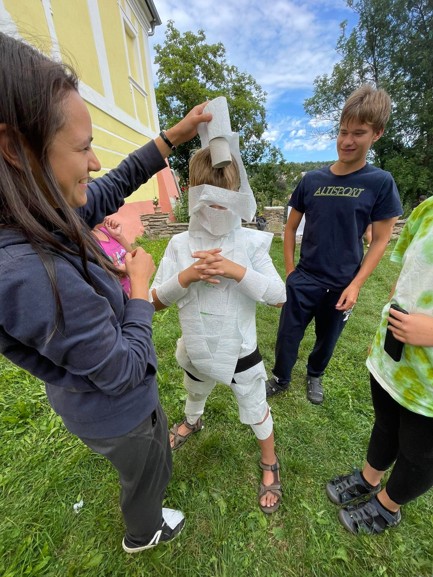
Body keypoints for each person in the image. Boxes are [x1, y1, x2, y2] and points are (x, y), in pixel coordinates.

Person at [0, 32, 211, 554]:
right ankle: (145, 530)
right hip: (119, 411)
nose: (94, 163)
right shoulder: (28, 271)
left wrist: (171, 138)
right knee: (146, 469)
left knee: (148, 456)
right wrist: (139, 290)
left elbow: (112, 185)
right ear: (15, 147)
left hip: (91, 401)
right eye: (83, 147)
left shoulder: (36, 214)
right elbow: (122, 370)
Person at [151, 136, 286, 514]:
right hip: (195, 347)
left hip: (240, 352)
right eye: (207, 199)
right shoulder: (179, 246)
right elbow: (154, 301)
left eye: (223, 200)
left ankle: (269, 459)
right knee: (194, 389)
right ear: (193, 194)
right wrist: (188, 275)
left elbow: (279, 296)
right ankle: (193, 421)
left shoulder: (250, 243)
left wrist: (235, 270)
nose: (214, 209)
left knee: (255, 405)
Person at [266, 84, 403, 404]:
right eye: (343, 131)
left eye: (358, 133)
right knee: (287, 335)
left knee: (327, 339)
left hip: (343, 284)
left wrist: (355, 285)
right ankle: (281, 377)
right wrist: (290, 272)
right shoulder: (312, 180)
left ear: (377, 134)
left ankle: (315, 375)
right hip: (305, 278)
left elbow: (380, 241)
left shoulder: (380, 183)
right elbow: (290, 228)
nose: (347, 140)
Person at [326, 196, 433, 534]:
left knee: (421, 453)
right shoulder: (428, 208)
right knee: (386, 423)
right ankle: (369, 478)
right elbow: (408, 271)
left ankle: (388, 505)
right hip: (395, 353)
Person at [92, 217, 134, 297]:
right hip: (118, 297)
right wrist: (127, 269)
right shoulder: (87, 240)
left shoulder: (105, 230)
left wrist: (119, 236)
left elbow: (132, 255)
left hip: (132, 290)